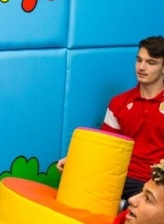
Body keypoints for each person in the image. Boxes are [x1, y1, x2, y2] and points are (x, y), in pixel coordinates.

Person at [57, 36, 164, 201]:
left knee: (146, 208)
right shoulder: (118, 103)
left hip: (154, 182)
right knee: (75, 191)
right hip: (118, 178)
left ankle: (125, 209)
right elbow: (106, 147)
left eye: (151, 63)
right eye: (139, 60)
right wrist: (76, 160)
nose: (141, 67)